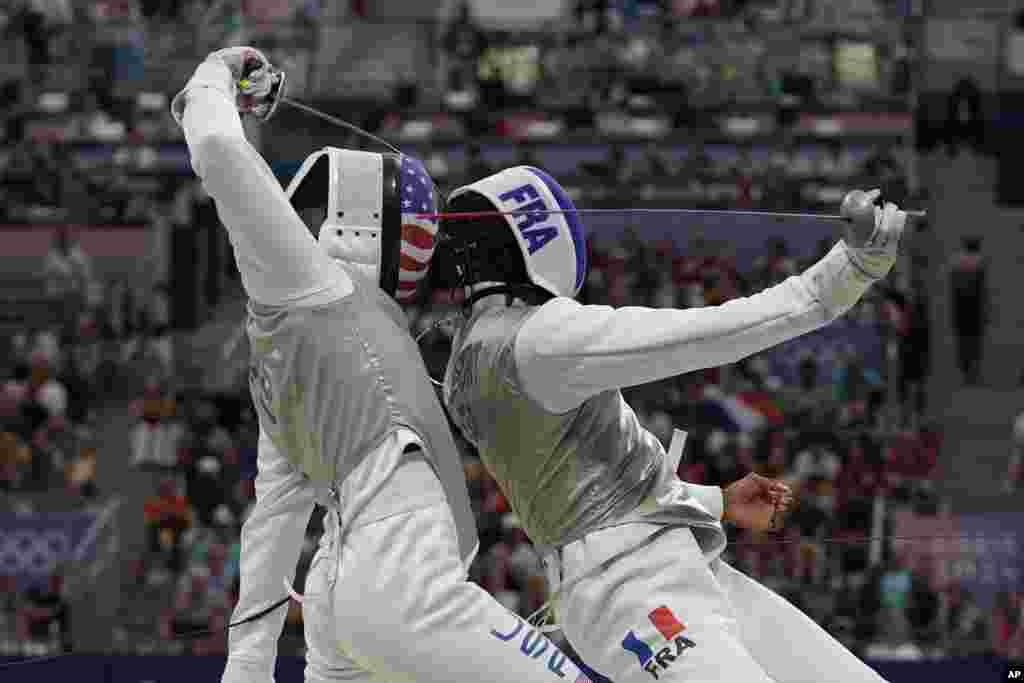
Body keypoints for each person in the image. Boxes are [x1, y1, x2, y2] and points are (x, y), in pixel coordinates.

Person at [171, 48, 589, 683]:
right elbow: (223, 151)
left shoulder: (293, 367)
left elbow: (274, 529)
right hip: (402, 570)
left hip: (346, 585)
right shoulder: (310, 284)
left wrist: (247, 669)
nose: (301, 228)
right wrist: (220, 72)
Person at [431, 167, 907, 683]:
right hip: (636, 591)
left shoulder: (463, 365)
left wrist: (718, 501)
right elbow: (710, 334)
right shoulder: (539, 340)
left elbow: (591, 491)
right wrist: (849, 271)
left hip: (663, 571)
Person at [949, 236, 987, 385]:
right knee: (975, 339)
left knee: (962, 338)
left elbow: (952, 288)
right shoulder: (980, 262)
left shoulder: (955, 261)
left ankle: (965, 369)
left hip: (960, 305)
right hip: (975, 305)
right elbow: (982, 288)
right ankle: (973, 369)